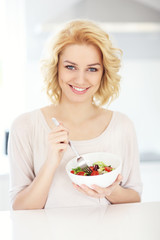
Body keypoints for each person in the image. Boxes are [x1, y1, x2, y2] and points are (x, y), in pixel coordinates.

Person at [8, 19, 142, 210]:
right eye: (70, 67)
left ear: (104, 73)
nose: (80, 79)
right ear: (56, 68)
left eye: (92, 69)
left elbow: (134, 197)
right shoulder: (25, 126)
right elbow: (20, 208)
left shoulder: (122, 125)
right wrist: (52, 162)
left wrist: (110, 190)